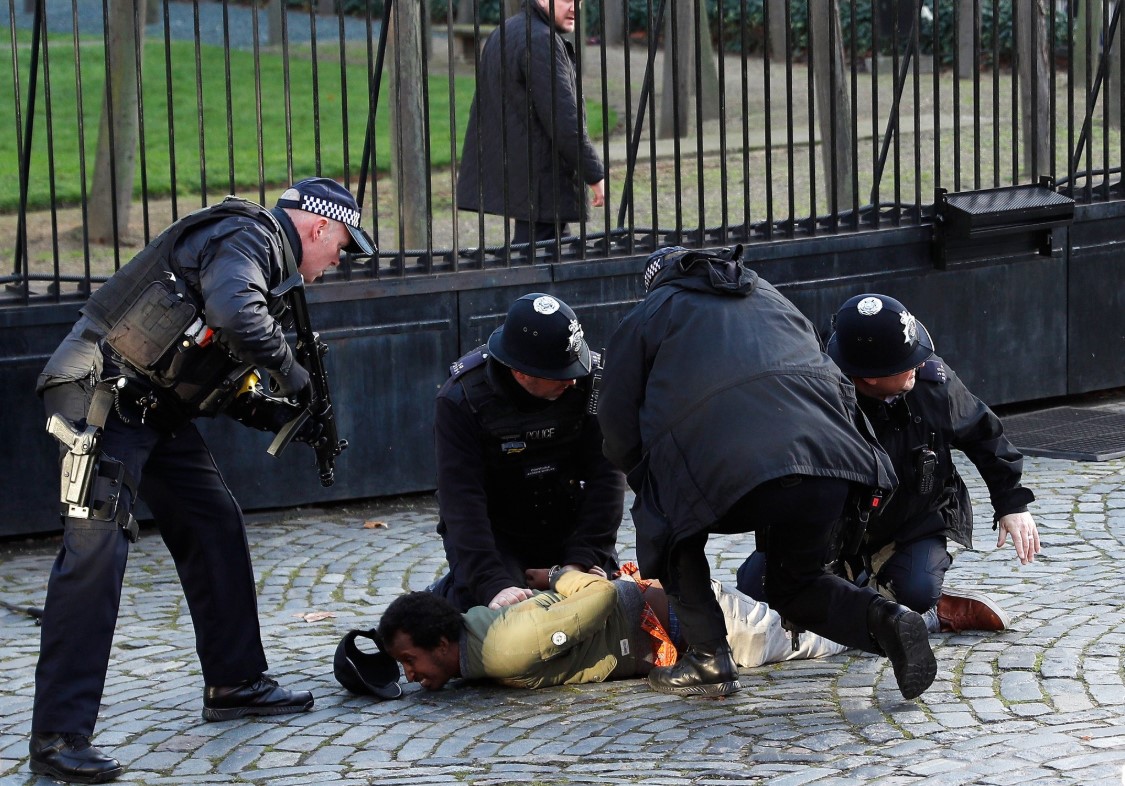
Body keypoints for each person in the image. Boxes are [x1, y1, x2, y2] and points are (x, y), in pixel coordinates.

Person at [29, 177, 375, 784]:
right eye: (343, 246)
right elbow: (235, 315)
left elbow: (210, 367)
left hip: (151, 407)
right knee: (95, 553)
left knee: (213, 522)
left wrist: (278, 413)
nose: (339, 261)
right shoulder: (248, 237)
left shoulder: (262, 264)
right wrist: (293, 375)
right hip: (98, 396)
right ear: (319, 226)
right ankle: (57, 736)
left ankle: (235, 682)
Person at [596, 245, 937, 701]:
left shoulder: (646, 316)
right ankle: (888, 619)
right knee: (796, 584)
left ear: (656, 284)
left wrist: (651, 481)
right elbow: (828, 371)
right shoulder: (770, 296)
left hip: (728, 471)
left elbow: (616, 427)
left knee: (667, 524)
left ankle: (708, 659)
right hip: (830, 457)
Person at [737, 293, 1040, 634]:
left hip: (912, 520)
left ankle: (924, 612)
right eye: (906, 362)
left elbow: (985, 435)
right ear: (870, 378)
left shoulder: (932, 384)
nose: (920, 364)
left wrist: (1011, 502)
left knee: (917, 591)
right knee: (756, 587)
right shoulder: (818, 393)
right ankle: (857, 596)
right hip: (834, 524)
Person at [429, 292, 625, 613]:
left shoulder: (590, 382)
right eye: (561, 374)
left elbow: (607, 477)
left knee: (599, 605)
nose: (573, 381)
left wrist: (581, 560)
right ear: (521, 373)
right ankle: (448, 594)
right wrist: (493, 582)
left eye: (576, 366)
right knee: (503, 617)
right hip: (497, 530)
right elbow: (461, 500)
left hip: (567, 518)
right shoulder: (461, 400)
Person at [379, 567, 848, 692]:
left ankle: (888, 613)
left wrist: (558, 574)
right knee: (800, 613)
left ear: (443, 642)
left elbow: (601, 594)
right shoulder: (477, 639)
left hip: (698, 622)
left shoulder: (504, 648)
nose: (410, 676)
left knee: (826, 639)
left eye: (409, 661)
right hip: (681, 622)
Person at [455, 0, 605, 246]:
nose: (574, 8)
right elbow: (564, 121)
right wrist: (594, 174)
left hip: (521, 173)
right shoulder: (541, 41)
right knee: (542, 255)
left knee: (543, 251)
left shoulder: (505, 31)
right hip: (541, 179)